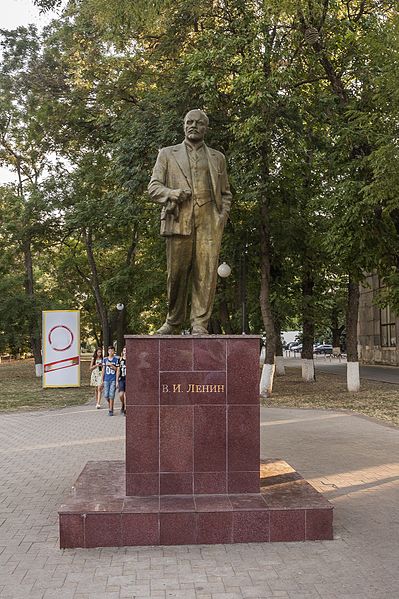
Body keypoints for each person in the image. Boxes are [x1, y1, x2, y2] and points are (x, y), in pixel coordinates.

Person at [148, 108, 232, 335]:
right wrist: (172, 193)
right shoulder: (167, 154)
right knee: (176, 274)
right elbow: (153, 187)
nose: (193, 126)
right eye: (189, 122)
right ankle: (173, 321)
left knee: (206, 275)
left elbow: (225, 193)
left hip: (209, 221)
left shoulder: (217, 158)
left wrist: (221, 217)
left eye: (199, 123)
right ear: (184, 126)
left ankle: (199, 324)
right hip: (178, 220)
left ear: (206, 128)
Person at [101, 345, 119, 416]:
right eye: (109, 351)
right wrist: (102, 379)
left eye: (112, 351)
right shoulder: (105, 359)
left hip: (113, 379)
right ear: (108, 351)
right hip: (106, 379)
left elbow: (117, 370)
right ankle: (110, 405)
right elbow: (103, 370)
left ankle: (110, 410)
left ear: (114, 352)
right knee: (106, 395)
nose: (111, 352)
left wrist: (111, 365)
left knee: (111, 395)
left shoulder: (116, 360)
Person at [116, 346, 127, 415]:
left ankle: (125, 409)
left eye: (126, 351)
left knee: (126, 395)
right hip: (121, 379)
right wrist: (117, 381)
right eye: (124, 351)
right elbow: (118, 371)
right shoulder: (120, 360)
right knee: (121, 395)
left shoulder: (131, 360)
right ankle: (123, 404)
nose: (125, 352)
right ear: (122, 352)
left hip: (128, 379)